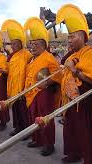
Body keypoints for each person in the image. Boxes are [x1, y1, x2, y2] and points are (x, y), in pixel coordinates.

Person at [56, 4, 92, 164]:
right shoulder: (73, 54)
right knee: (69, 128)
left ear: (83, 36)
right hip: (69, 98)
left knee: (84, 130)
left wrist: (75, 71)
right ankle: (73, 153)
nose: (69, 40)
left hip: (83, 98)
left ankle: (89, 159)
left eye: (73, 37)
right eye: (68, 37)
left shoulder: (90, 55)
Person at [24, 17, 62, 156]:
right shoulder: (33, 58)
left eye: (36, 44)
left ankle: (48, 144)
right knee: (33, 116)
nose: (32, 47)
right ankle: (37, 139)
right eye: (31, 44)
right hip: (31, 91)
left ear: (43, 45)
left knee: (45, 118)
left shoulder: (48, 57)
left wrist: (49, 82)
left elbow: (58, 75)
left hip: (44, 93)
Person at [0, 19, 32, 136]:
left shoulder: (27, 54)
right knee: (15, 110)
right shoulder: (11, 57)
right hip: (13, 86)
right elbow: (8, 70)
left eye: (14, 44)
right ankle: (17, 128)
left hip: (23, 87)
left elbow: (30, 70)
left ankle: (26, 130)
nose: (12, 46)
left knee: (24, 110)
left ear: (20, 44)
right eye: (11, 44)